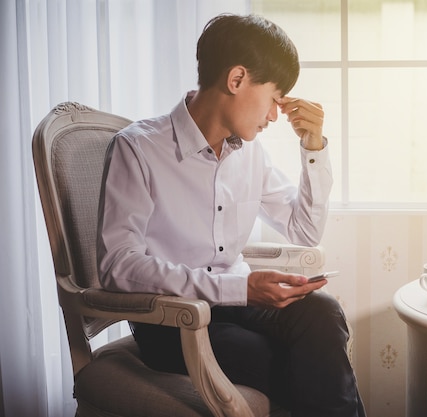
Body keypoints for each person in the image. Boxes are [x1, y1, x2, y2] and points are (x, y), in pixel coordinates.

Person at [96, 13, 366, 417]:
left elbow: (304, 230)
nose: (276, 115)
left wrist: (314, 147)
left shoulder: (251, 153)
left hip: (238, 300)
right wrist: (240, 288)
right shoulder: (137, 149)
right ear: (237, 79)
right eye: (275, 98)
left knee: (323, 313)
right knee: (277, 357)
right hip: (172, 316)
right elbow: (118, 265)